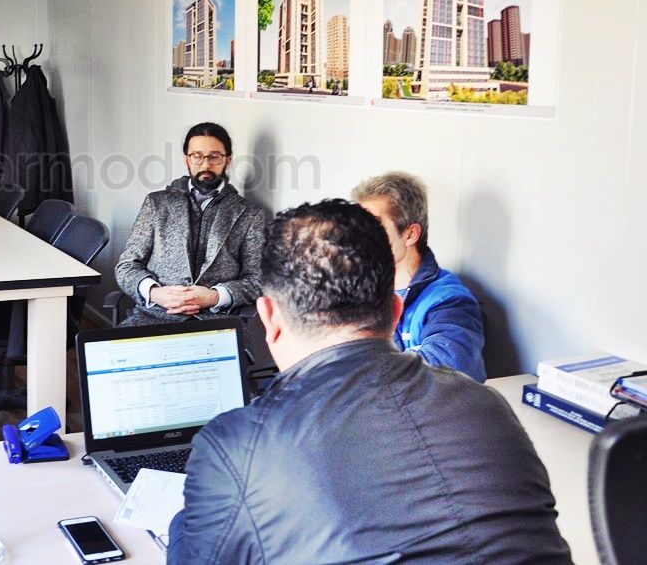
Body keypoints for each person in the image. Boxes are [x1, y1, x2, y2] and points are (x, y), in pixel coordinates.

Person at [167, 200, 571, 564]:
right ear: (396, 312)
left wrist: (187, 521)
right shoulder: (486, 404)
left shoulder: (236, 445)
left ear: (269, 318)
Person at [114, 122, 265, 326]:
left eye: (214, 157)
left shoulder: (249, 213)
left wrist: (215, 297)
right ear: (186, 159)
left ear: (227, 160)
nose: (205, 165)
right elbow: (127, 266)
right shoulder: (157, 203)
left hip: (217, 322)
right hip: (154, 316)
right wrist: (155, 293)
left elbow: (256, 280)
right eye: (197, 156)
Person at [352, 171, 486, 381]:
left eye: (373, 226)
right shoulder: (356, 290)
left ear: (410, 234)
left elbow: (451, 370)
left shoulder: (449, 301)